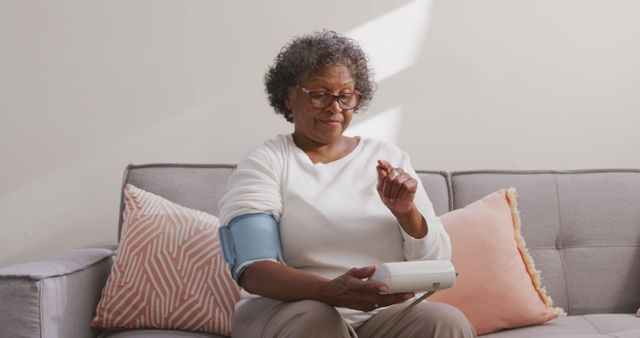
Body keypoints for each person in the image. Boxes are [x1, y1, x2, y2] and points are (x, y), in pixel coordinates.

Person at [218, 31, 476, 338]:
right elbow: (254, 268)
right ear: (289, 95)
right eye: (319, 94)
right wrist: (331, 291)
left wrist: (406, 214)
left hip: (376, 314)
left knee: (445, 321)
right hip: (286, 310)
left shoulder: (388, 158)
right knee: (318, 318)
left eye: (345, 96)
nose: (334, 108)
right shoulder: (267, 161)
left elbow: (435, 265)